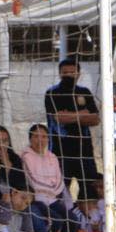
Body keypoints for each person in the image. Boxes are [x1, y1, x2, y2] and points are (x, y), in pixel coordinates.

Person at [44, 56, 100, 199]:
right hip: (60, 152)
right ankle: (63, 221)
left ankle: (86, 220)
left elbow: (95, 119)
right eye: (65, 72)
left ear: (78, 74)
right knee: (60, 193)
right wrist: (82, 114)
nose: (69, 75)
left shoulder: (85, 92)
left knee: (89, 191)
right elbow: (59, 118)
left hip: (84, 151)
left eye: (72, 72)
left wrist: (71, 116)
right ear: (60, 74)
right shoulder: (52, 93)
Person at [20, 123, 68, 232]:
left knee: (71, 219)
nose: (40, 140)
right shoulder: (26, 156)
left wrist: (53, 191)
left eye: (44, 137)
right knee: (56, 219)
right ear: (30, 138)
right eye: (36, 136)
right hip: (36, 198)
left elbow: (59, 180)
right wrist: (48, 188)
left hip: (52, 197)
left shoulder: (52, 157)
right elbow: (33, 179)